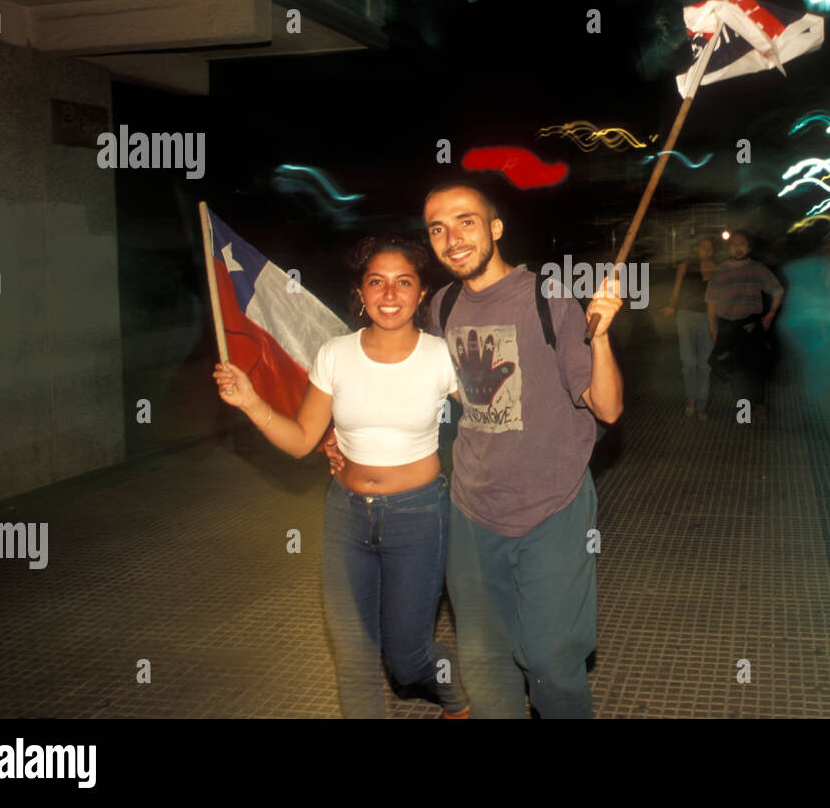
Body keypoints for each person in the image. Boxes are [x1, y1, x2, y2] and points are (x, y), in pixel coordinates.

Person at [334, 182, 624, 717]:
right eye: (437, 228)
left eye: (466, 221)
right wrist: (343, 438)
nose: (451, 237)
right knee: (484, 661)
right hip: (470, 510)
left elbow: (606, 409)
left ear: (495, 227)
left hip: (553, 505)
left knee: (550, 659)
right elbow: (392, 374)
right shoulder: (439, 308)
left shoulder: (548, 298)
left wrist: (601, 337)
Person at [213, 234, 470, 719]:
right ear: (361, 292)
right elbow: (301, 439)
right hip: (345, 517)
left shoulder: (442, 355)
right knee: (352, 655)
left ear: (421, 293)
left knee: (408, 659)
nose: (389, 295)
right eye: (377, 282)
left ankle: (459, 698)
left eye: (403, 282)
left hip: (418, 516)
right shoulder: (334, 354)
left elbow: (495, 419)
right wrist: (250, 400)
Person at [706, 230, 784, 420]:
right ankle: (744, 411)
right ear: (729, 247)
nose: (738, 248)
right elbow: (711, 301)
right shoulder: (721, 270)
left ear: (748, 248)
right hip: (727, 325)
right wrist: (712, 326)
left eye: (742, 244)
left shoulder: (757, 268)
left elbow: (777, 291)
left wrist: (770, 315)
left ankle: (758, 403)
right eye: (734, 244)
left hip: (750, 325)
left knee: (753, 368)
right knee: (732, 369)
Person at [661, 235, 717, 419]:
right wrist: (671, 305)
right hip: (685, 315)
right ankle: (690, 400)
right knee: (688, 362)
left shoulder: (717, 269)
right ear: (696, 248)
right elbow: (677, 288)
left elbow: (720, 295)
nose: (706, 250)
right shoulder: (686, 266)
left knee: (704, 363)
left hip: (707, 317)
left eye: (709, 247)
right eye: (703, 246)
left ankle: (701, 404)